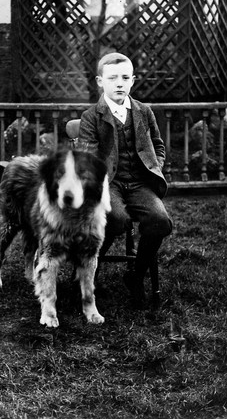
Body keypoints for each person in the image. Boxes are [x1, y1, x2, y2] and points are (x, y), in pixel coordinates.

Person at [79, 52, 172, 308]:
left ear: (132, 80)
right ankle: (89, 271)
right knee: (116, 220)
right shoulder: (92, 116)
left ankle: (136, 275)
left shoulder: (143, 111)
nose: (119, 83)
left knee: (160, 221)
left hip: (140, 182)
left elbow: (158, 145)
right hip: (110, 184)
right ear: (100, 81)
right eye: (112, 78)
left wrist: (155, 166)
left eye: (124, 78)